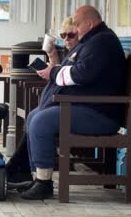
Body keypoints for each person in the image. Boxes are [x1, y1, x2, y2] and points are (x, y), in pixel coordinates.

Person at [16, 5, 127, 200]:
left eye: (76, 25)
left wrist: (52, 72)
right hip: (86, 107)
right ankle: (37, 177)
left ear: (89, 23)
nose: (74, 30)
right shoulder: (91, 41)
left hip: (100, 113)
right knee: (34, 116)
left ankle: (44, 184)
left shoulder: (102, 42)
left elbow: (81, 74)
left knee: (42, 121)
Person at [5, 16, 80, 184]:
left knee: (39, 119)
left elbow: (67, 77)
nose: (67, 39)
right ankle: (24, 169)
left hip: (70, 105)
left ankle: (29, 173)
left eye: (71, 35)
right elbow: (59, 73)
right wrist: (52, 56)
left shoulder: (81, 53)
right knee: (34, 116)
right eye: (63, 35)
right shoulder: (72, 53)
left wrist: (52, 70)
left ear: (79, 33)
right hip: (57, 101)